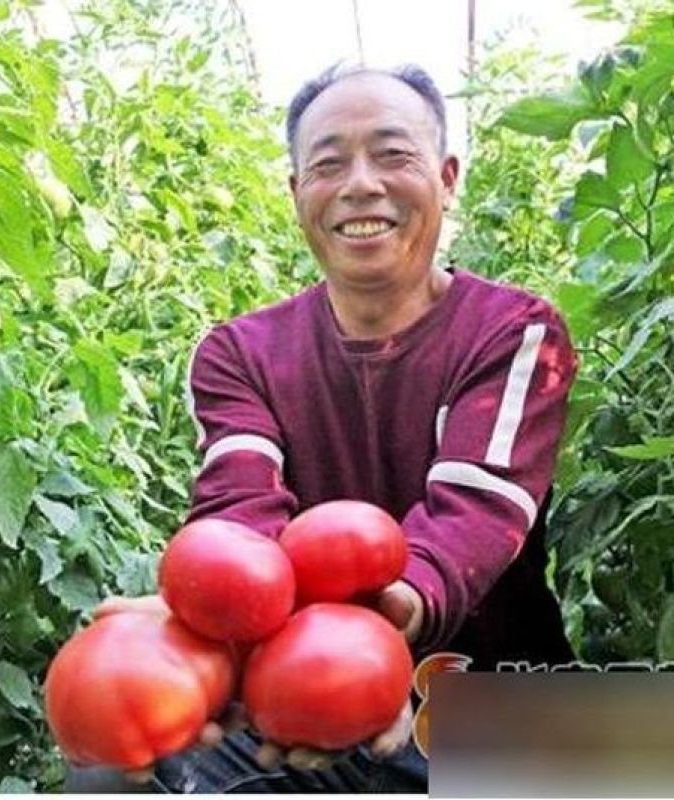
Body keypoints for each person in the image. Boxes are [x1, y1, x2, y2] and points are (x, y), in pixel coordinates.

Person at [65, 60, 578, 793]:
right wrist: (212, 632)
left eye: (394, 155)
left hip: (502, 700)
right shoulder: (240, 353)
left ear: (447, 177)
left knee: (653, 746)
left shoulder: (515, 332)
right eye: (328, 163)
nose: (361, 184)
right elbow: (240, 517)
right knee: (111, 771)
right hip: (311, 692)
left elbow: (473, 515)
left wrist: (383, 625)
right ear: (298, 192)